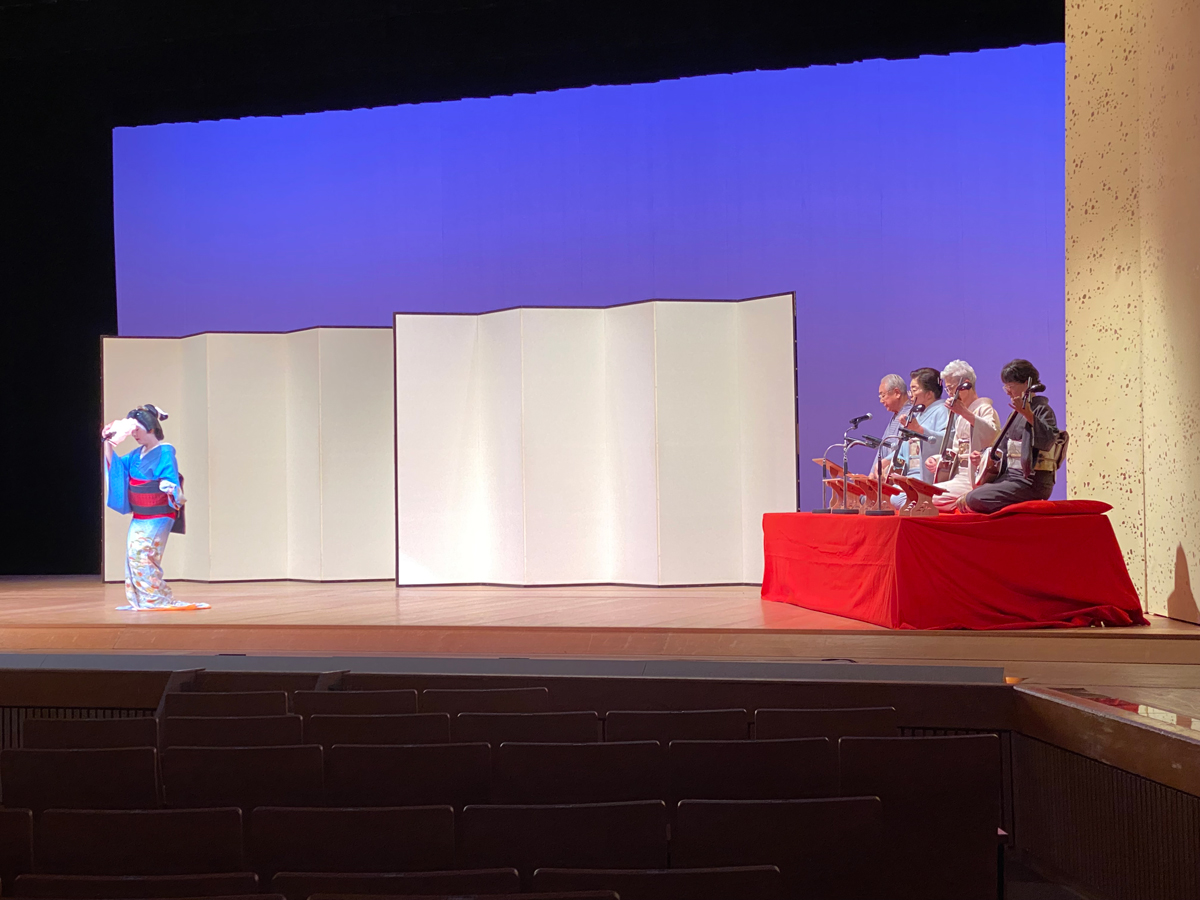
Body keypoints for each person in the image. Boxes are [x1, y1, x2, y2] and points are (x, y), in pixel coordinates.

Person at [103, 405, 210, 611]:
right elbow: (116, 468)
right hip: (140, 515)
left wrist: (168, 486)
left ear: (151, 428)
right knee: (133, 556)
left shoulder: (165, 451)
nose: (134, 434)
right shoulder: (136, 455)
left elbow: (170, 479)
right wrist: (108, 443)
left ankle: (155, 599)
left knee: (144, 555)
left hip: (158, 513)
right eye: (132, 431)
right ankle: (143, 600)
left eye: (137, 430)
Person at [961, 359, 1061, 513]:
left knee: (974, 498)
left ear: (1027, 383)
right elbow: (1001, 448)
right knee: (973, 493)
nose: (1007, 391)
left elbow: (1048, 441)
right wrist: (983, 456)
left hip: (1031, 481)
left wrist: (1029, 416)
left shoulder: (1043, 409)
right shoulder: (1015, 414)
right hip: (1011, 477)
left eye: (1011, 386)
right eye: (1005, 387)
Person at [923, 359, 1000, 511]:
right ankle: (964, 502)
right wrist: (939, 460)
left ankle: (968, 501)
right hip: (959, 475)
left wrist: (965, 413)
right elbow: (957, 451)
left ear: (966, 384)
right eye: (947, 389)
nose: (950, 394)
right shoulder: (960, 417)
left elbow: (991, 434)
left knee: (930, 499)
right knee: (924, 495)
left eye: (951, 388)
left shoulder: (985, 409)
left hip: (975, 476)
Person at [896, 367, 951, 484]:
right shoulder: (917, 415)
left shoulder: (942, 410)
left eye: (914, 390)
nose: (911, 395)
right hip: (910, 474)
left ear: (929, 394)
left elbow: (948, 440)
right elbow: (905, 447)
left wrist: (919, 430)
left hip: (926, 476)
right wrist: (887, 460)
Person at [873, 373, 912, 477]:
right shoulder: (896, 415)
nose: (881, 401)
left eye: (883, 395)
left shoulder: (911, 415)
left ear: (897, 393)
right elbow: (883, 449)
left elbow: (905, 448)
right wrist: (872, 474)